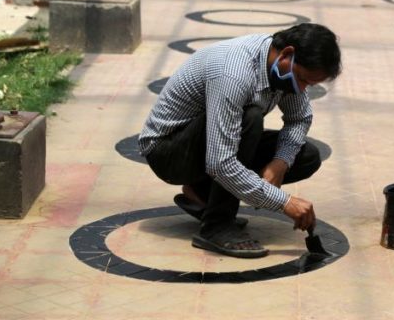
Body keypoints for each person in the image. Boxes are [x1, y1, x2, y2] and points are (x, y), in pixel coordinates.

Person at [138, 23, 342, 258]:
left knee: (306, 157)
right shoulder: (233, 73)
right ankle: (217, 226)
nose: (302, 89)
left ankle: (202, 193)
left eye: (309, 85)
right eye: (303, 80)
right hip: (168, 152)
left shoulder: (280, 67)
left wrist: (280, 163)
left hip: (210, 142)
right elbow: (220, 163)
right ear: (287, 54)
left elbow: (299, 118)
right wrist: (283, 202)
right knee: (250, 118)